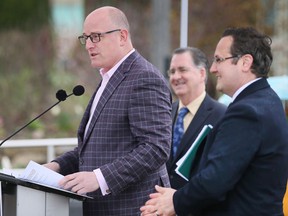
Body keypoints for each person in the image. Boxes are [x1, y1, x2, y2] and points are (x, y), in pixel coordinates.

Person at [140, 27, 288, 216]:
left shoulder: (247, 111)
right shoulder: (266, 100)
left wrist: (176, 201)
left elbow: (217, 180)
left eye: (219, 60)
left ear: (245, 62)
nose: (213, 69)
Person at [44, 6, 172, 216]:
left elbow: (155, 148)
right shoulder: (109, 77)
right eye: (85, 38)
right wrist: (56, 165)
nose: (89, 45)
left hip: (134, 208)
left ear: (122, 36)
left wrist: (100, 178)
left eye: (96, 37)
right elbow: (96, 149)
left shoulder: (144, 78)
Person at [166, 47, 226, 190]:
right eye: (172, 71)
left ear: (201, 73)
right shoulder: (164, 114)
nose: (176, 77)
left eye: (182, 70)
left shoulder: (222, 115)